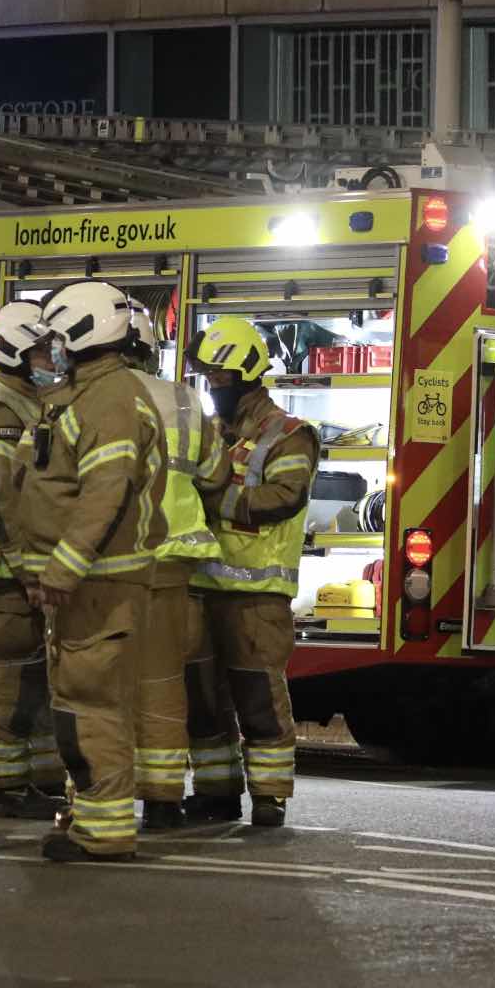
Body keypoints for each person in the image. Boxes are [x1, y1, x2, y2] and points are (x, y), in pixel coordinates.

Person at [14, 280, 166, 862]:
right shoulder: (85, 396)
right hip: (85, 584)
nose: (49, 349)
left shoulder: (110, 400)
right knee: (80, 701)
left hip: (99, 582)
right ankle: (88, 818)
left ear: (81, 332)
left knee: (93, 702)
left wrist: (61, 568)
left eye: (55, 336)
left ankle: (103, 831)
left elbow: (104, 493)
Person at [184, 317, 317, 828]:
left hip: (256, 595)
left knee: (258, 698)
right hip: (201, 589)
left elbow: (282, 499)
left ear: (246, 374)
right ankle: (215, 792)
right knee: (203, 700)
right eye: (208, 378)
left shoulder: (290, 435)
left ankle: (269, 796)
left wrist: (216, 495)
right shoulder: (209, 431)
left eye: (219, 378)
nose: (212, 388)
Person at [0, 300, 68, 820]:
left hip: (22, 566)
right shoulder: (4, 412)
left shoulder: (29, 404)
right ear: (17, 352)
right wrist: (26, 566)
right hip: (5, 571)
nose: (54, 356)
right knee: (10, 679)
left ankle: (41, 780)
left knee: (35, 679)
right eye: (45, 348)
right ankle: (5, 788)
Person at [122, 303, 224, 830]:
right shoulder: (186, 401)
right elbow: (215, 473)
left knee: (102, 683)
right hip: (175, 566)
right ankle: (164, 800)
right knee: (164, 681)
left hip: (112, 563)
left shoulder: (88, 399)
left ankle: (96, 800)